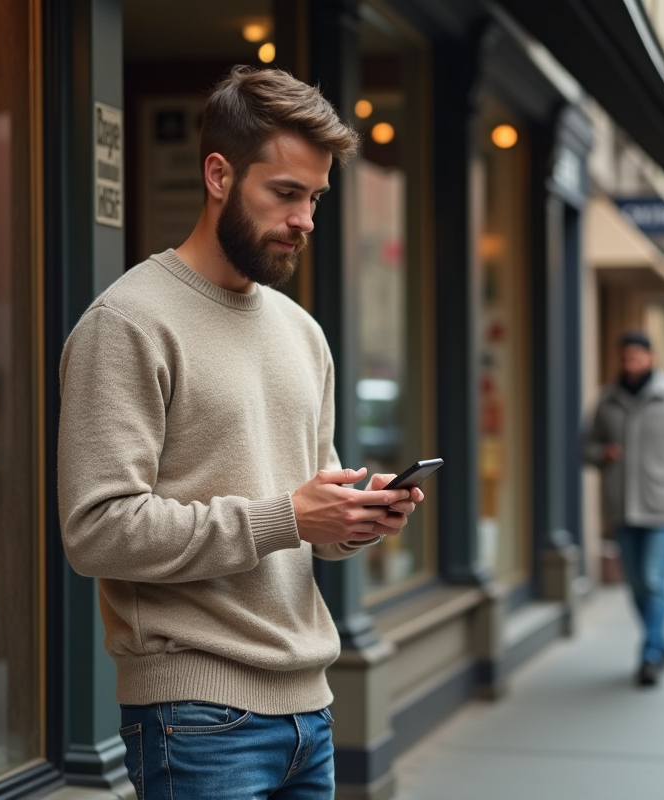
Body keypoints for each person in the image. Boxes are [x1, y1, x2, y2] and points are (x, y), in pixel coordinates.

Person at [58, 67, 425, 799]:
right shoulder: (127, 323)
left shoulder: (302, 332)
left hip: (310, 711)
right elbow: (96, 531)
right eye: (285, 193)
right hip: (193, 717)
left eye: (315, 198)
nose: (305, 220)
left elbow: (308, 523)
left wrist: (354, 517)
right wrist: (288, 516)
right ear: (219, 175)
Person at [583, 331, 664, 687]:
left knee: (653, 578)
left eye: (637, 358)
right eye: (625, 358)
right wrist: (602, 454)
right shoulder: (607, 399)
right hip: (622, 507)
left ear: (651, 358)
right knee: (637, 584)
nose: (631, 365)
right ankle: (659, 639)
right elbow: (586, 446)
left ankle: (650, 653)